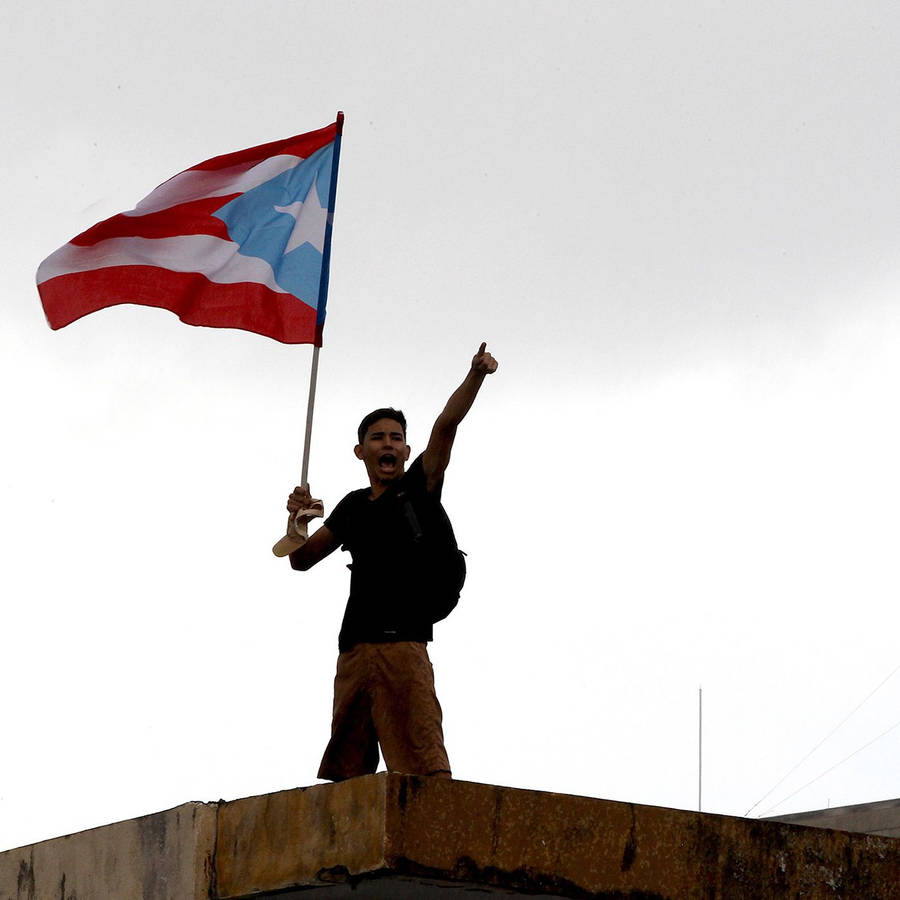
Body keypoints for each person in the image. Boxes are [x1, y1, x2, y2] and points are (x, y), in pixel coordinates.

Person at [284, 342, 499, 781]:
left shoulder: (419, 486)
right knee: (348, 774)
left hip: (404, 644)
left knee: (423, 765)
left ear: (405, 450)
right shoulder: (353, 507)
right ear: (360, 450)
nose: (388, 445)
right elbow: (301, 560)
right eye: (378, 438)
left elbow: (446, 425)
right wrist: (297, 523)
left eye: (396, 438)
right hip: (354, 649)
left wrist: (476, 375)